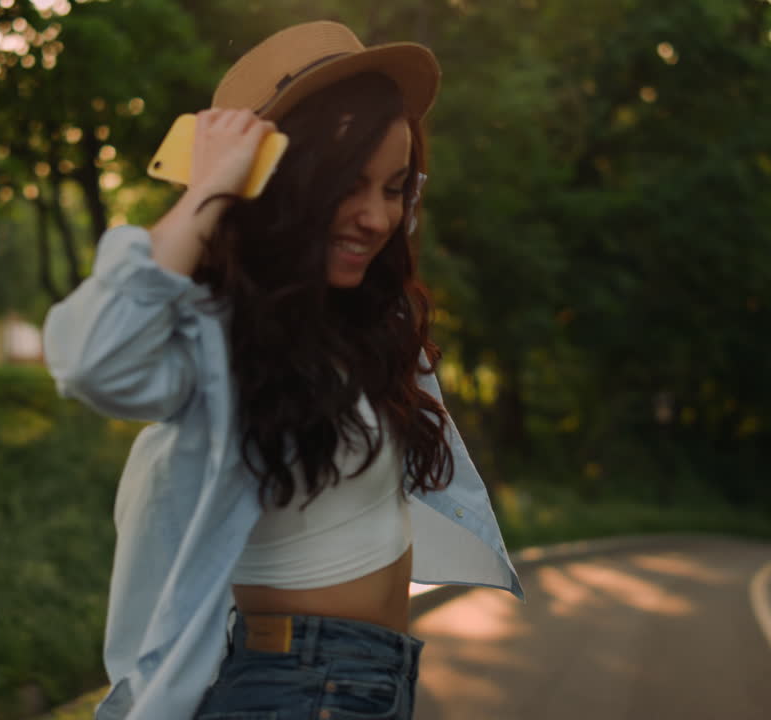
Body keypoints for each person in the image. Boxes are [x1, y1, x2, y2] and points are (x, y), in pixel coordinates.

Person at [43, 20, 524, 720]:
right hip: (297, 690)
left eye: (395, 188)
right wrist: (209, 189)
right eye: (347, 186)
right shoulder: (222, 340)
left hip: (363, 684)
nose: (377, 217)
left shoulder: (359, 326)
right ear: (279, 185)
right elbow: (93, 360)